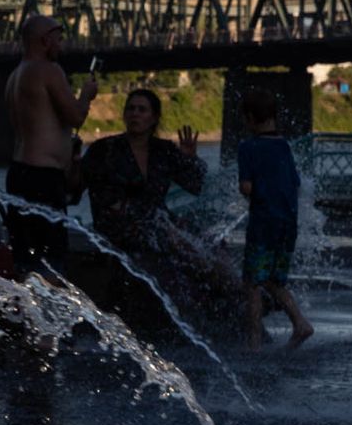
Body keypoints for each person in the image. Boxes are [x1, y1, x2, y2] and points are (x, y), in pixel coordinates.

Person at [77, 87, 239, 318]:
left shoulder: (164, 150)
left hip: (158, 222)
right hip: (122, 225)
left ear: (154, 118)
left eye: (142, 110)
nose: (135, 114)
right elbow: (86, 188)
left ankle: (235, 290)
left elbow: (195, 183)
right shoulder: (106, 149)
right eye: (131, 109)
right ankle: (227, 282)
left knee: (210, 240)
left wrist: (191, 158)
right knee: (173, 237)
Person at [5, 15, 97, 272]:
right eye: (59, 39)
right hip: (43, 179)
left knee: (25, 259)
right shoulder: (48, 70)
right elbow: (76, 115)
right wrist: (87, 95)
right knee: (51, 261)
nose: (62, 45)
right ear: (45, 40)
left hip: (19, 174)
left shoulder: (15, 76)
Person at [234, 88, 314, 348]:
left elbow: (246, 187)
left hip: (263, 223)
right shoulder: (284, 146)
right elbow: (296, 183)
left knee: (253, 282)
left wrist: (257, 192)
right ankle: (300, 323)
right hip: (287, 224)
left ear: (248, 118)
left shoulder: (248, 147)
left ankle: (254, 340)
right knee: (273, 279)